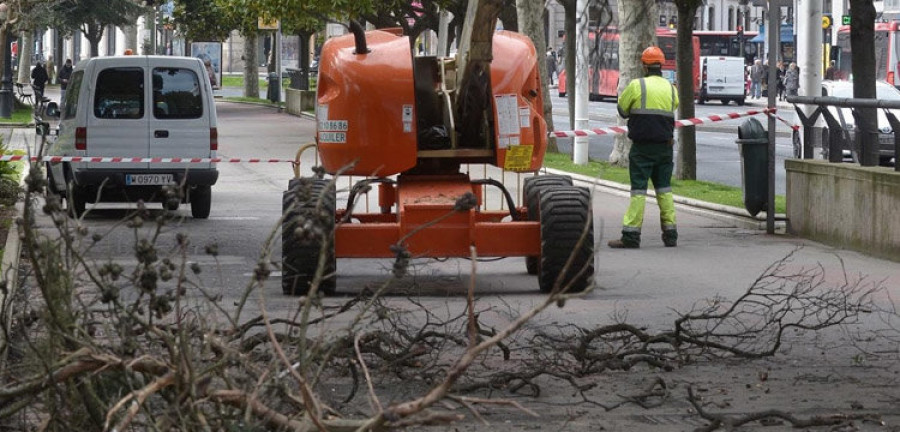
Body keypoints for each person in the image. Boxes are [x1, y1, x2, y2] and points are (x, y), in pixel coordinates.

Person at [608, 46, 679, 249]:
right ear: (661, 65)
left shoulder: (637, 85)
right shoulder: (671, 89)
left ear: (644, 66)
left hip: (642, 148)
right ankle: (671, 234)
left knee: (639, 191)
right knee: (664, 190)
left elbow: (622, 110)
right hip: (665, 148)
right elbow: (672, 108)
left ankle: (631, 236)